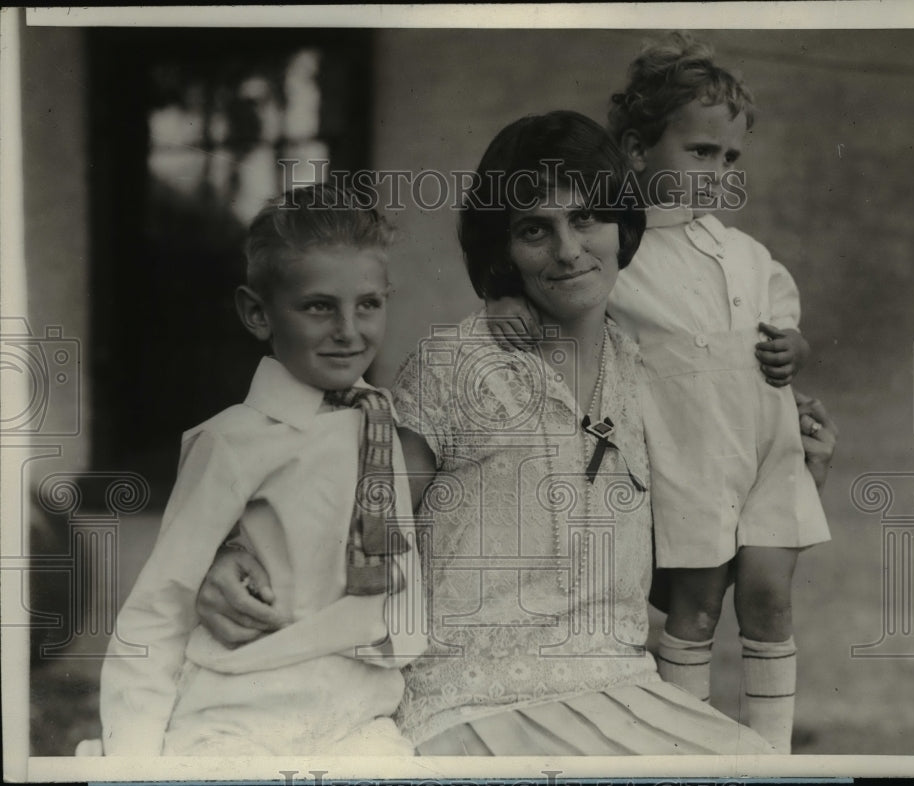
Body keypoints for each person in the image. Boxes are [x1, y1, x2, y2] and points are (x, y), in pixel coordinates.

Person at [196, 111, 777, 756]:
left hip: (621, 689)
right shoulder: (458, 364)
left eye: (586, 218)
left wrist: (785, 475)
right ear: (504, 249)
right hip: (472, 707)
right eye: (535, 229)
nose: (567, 250)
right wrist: (225, 553)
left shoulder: (649, 374)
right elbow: (356, 528)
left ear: (622, 225)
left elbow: (676, 571)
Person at [484, 33, 831, 753]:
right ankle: (685, 747)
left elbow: (787, 327)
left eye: (730, 158)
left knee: (770, 597)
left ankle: (771, 753)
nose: (717, 172)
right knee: (694, 610)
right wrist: (502, 303)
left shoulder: (746, 252)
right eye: (700, 152)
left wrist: (790, 351)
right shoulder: (618, 249)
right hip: (690, 457)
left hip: (769, 451)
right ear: (639, 151)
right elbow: (551, 293)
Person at [96, 184, 426, 756]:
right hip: (243, 712)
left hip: (358, 717)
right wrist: (132, 756)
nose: (349, 330)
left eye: (369, 303)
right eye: (320, 306)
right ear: (257, 312)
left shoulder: (388, 422)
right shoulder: (233, 442)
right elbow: (160, 604)